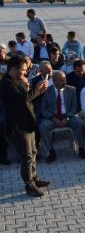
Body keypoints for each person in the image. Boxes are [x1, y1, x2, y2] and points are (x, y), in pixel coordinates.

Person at [0, 56, 50, 196]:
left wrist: (40, 91)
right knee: (26, 157)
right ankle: (29, 186)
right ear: (14, 69)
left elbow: (29, 100)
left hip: (27, 124)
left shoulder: (17, 81)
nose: (25, 72)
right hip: (17, 127)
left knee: (33, 153)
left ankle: (34, 179)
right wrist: (38, 90)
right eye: (23, 70)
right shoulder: (7, 84)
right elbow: (23, 99)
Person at [38, 70, 85, 162]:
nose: (64, 82)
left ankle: (81, 148)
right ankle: (51, 151)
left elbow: (74, 107)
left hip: (68, 116)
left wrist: (67, 117)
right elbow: (44, 109)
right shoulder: (46, 91)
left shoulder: (71, 89)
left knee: (80, 124)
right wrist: (53, 118)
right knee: (43, 126)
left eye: (64, 79)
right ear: (54, 81)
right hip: (52, 117)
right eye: (61, 80)